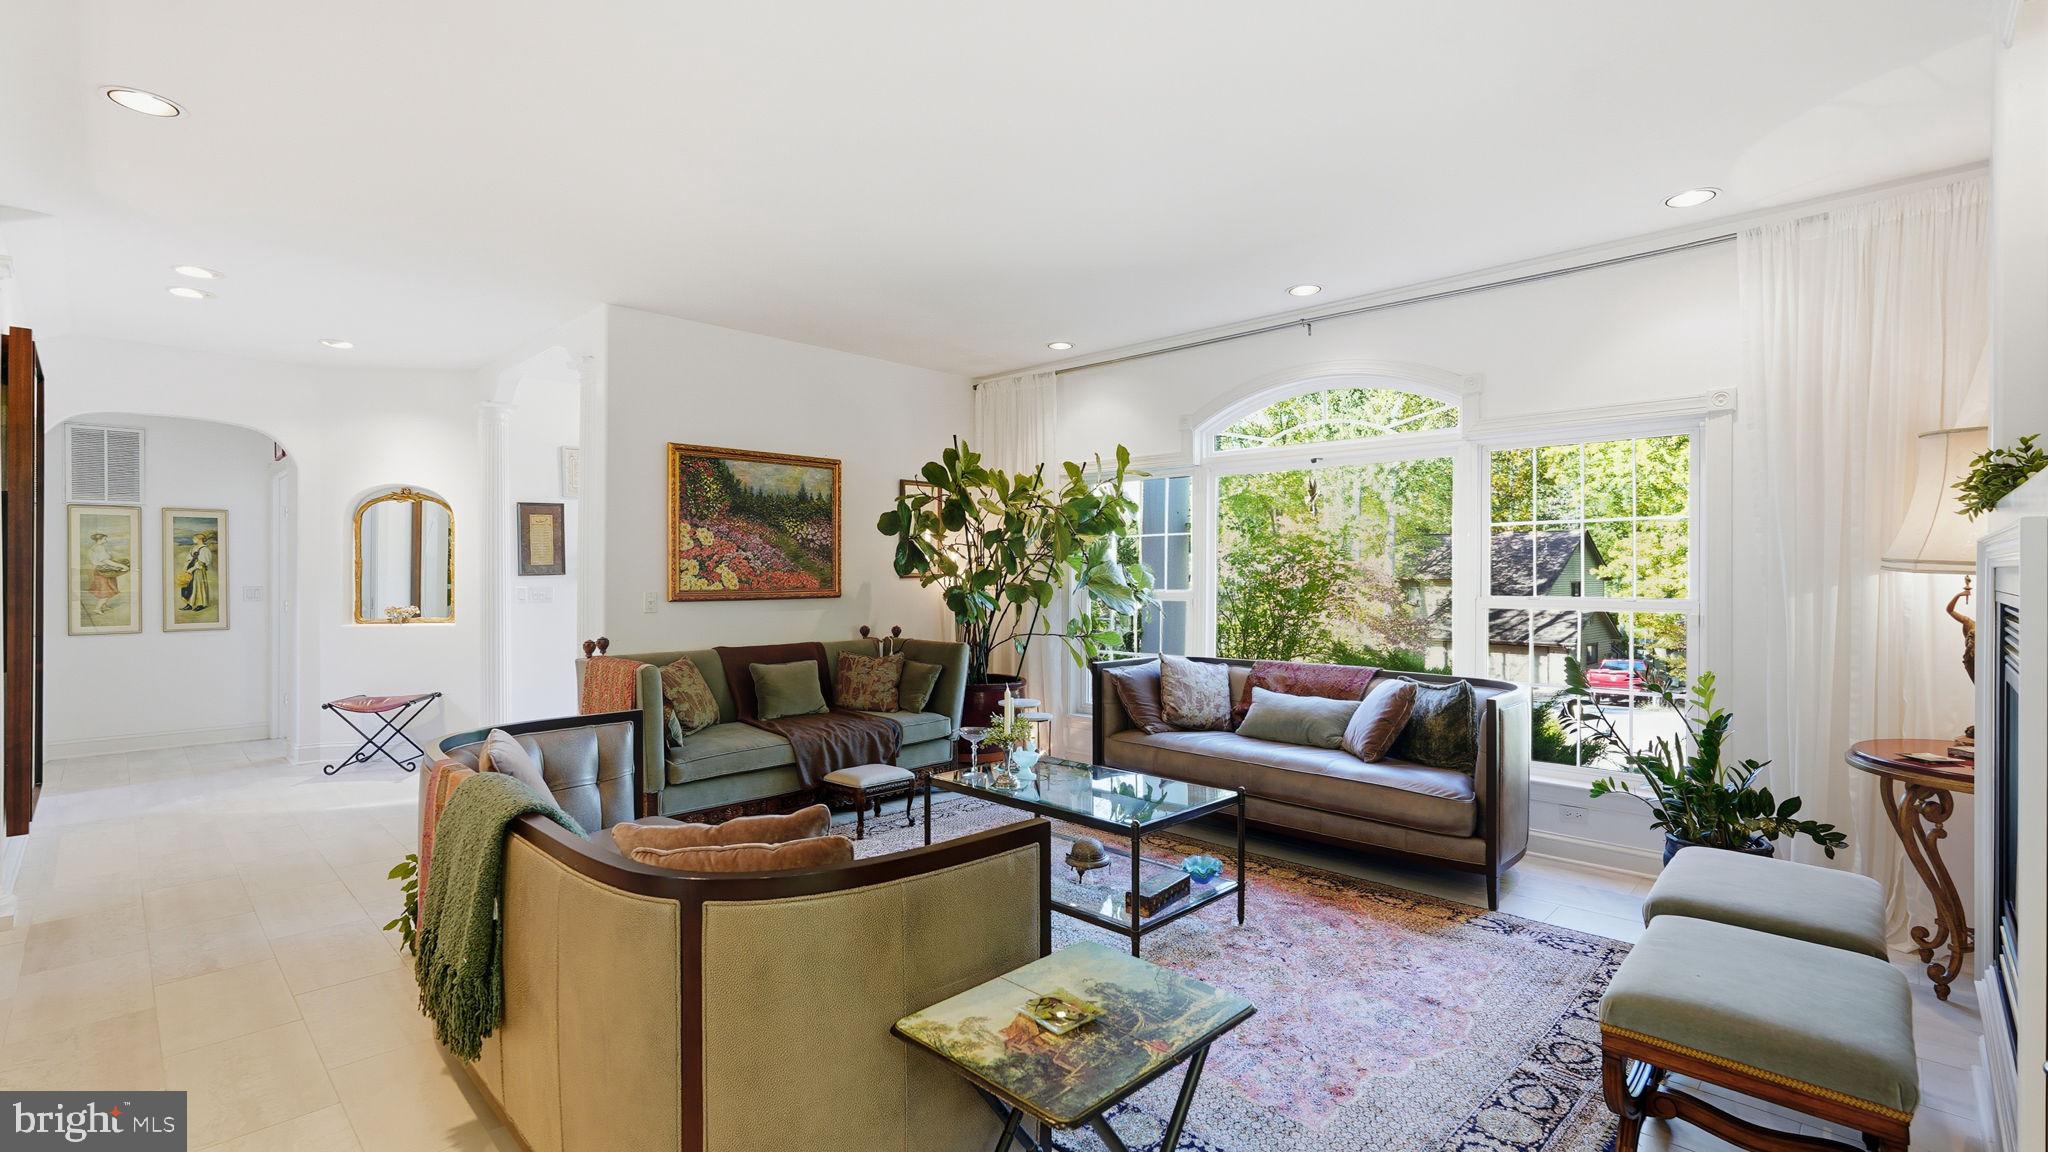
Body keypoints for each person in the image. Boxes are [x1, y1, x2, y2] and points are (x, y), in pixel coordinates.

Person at [86, 531, 127, 615]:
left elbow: (103, 561)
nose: (106, 540)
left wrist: (115, 565)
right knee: (106, 591)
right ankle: (97, 609)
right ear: (100, 539)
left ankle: (103, 605)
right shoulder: (100, 548)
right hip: (103, 572)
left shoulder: (94, 547)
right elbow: (106, 561)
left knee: (108, 589)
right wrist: (122, 566)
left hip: (102, 570)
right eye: (105, 539)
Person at [182, 530, 214, 612]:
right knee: (189, 586)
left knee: (198, 586)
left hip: (198, 570)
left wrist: (192, 569)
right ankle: (190, 604)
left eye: (194, 538)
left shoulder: (204, 549)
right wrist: (186, 567)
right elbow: (189, 557)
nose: (193, 540)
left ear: (199, 539)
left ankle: (201, 604)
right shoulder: (193, 548)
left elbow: (202, 562)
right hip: (190, 569)